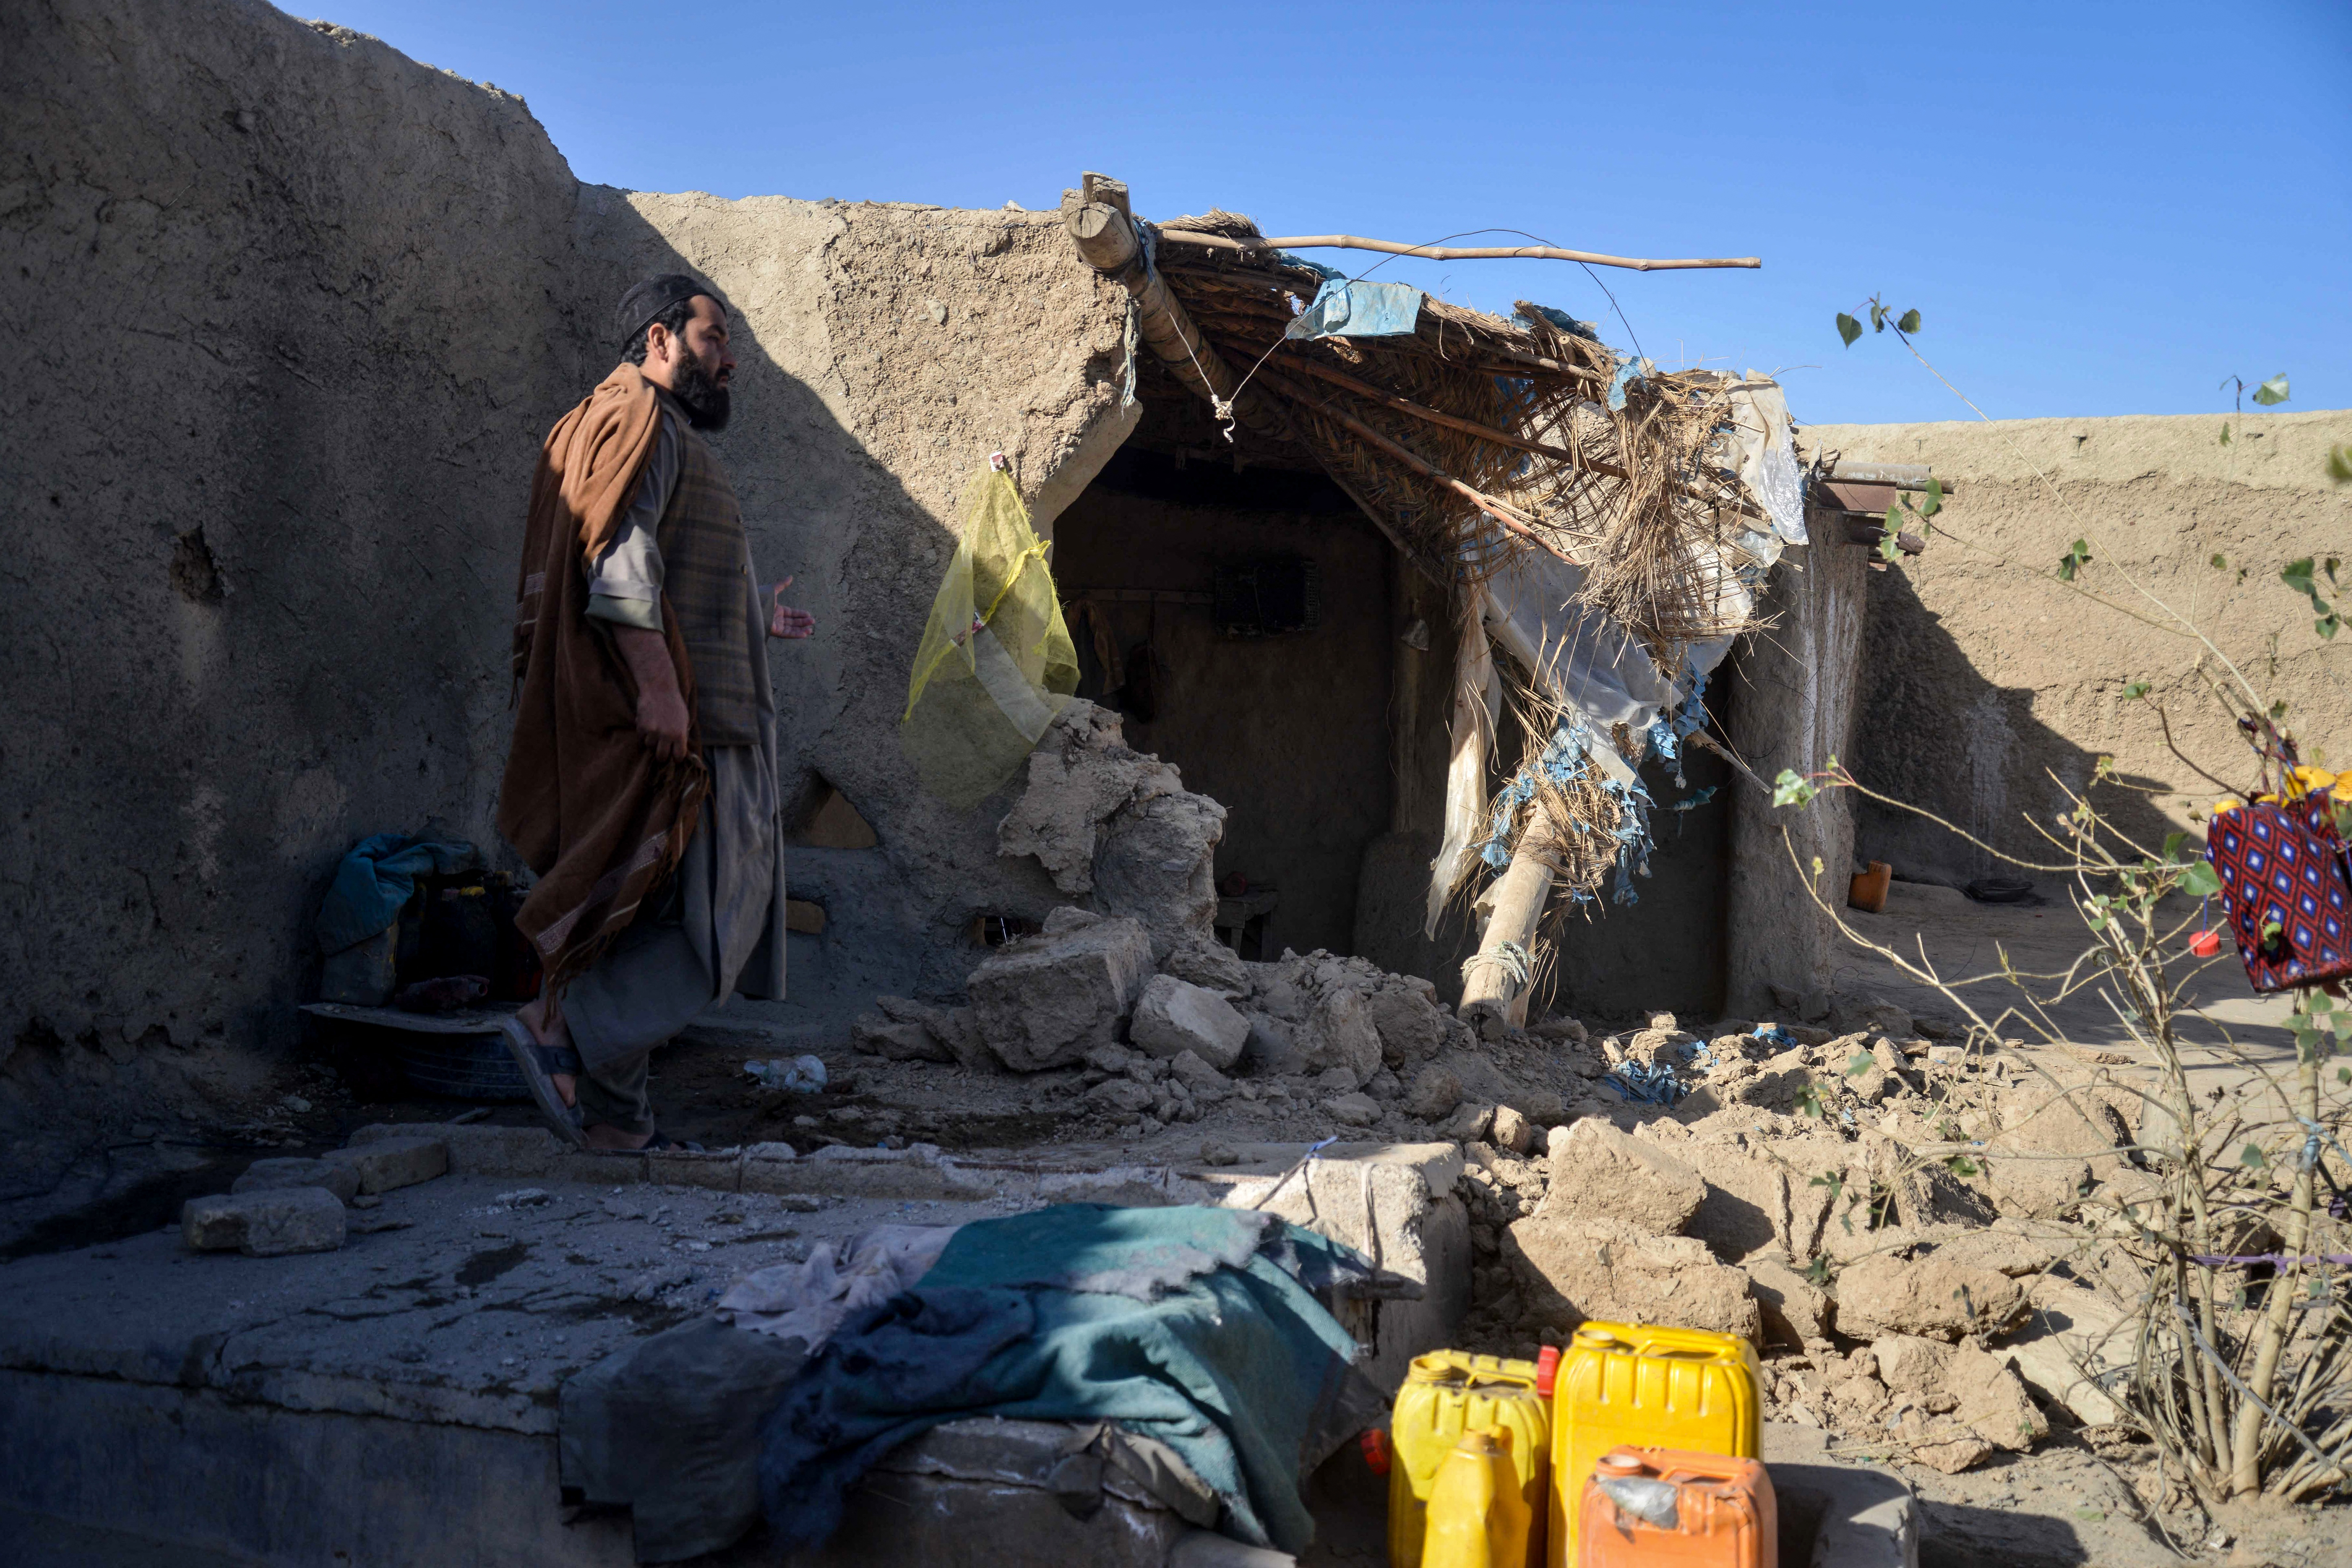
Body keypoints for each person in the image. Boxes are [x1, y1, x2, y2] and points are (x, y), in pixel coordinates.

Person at [495, 274, 813, 1150]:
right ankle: (560, 1022)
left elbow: (659, 566)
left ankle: (614, 1124)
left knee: (636, 916)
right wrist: (662, 689)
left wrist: (754, 616)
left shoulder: (640, 426)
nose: (730, 357)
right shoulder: (639, 419)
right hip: (696, 724)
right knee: (725, 926)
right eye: (714, 337)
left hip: (681, 708)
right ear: (660, 338)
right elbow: (619, 565)